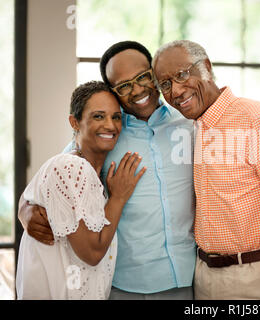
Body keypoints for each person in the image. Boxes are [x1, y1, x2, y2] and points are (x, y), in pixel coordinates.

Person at [18, 41, 197, 300]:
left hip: (184, 281)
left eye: (143, 77)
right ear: (114, 92)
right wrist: (26, 208)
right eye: (124, 86)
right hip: (122, 286)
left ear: (154, 74)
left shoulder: (190, 126)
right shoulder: (106, 135)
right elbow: (55, 175)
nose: (137, 90)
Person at [152, 40, 260, 300]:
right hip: (202, 276)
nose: (176, 91)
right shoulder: (191, 128)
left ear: (206, 67)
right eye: (166, 84)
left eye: (182, 74)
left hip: (251, 278)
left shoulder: (256, 120)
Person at [16, 81, 146, 299]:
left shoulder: (88, 173)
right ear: (74, 122)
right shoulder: (70, 167)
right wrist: (119, 197)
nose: (110, 125)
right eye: (98, 116)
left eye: (115, 117)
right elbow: (92, 253)